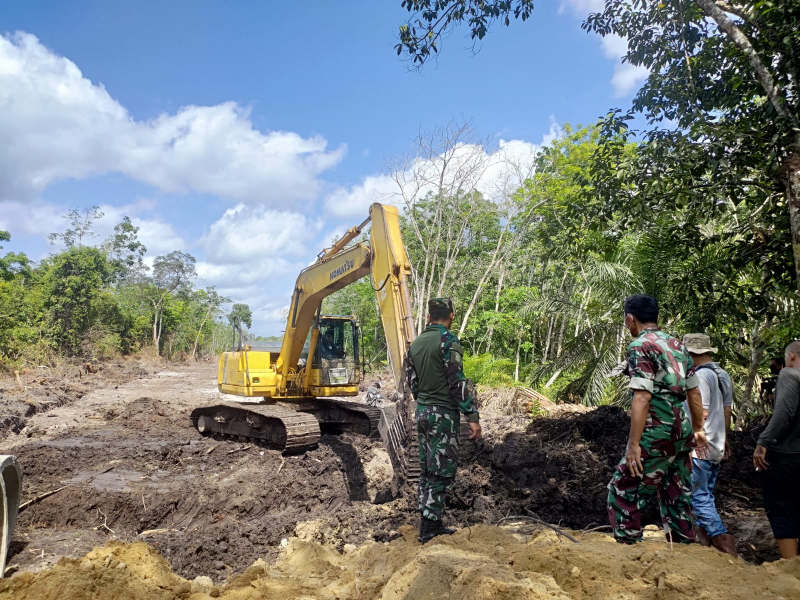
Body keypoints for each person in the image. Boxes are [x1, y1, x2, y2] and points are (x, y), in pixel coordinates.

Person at [607, 294, 709, 545]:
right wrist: (698, 429)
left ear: (630, 319)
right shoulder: (677, 345)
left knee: (623, 490)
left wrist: (634, 444)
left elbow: (642, 396)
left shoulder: (639, 346)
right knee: (676, 494)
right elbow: (694, 391)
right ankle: (684, 550)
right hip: (681, 432)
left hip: (656, 433)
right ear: (657, 317)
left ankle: (629, 549)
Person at [405, 297, 482, 543]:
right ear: (451, 315)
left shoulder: (415, 344)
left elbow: (412, 382)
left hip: (422, 412)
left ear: (429, 317)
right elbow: (457, 382)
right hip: (443, 415)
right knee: (441, 471)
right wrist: (472, 416)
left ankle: (430, 521)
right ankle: (429, 529)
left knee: (428, 469)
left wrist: (424, 401)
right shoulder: (448, 341)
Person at [683, 333, 736, 556]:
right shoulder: (721, 374)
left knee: (698, 497)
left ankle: (724, 544)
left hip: (700, 448)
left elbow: (701, 412)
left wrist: (691, 443)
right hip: (715, 445)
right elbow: (726, 410)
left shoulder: (701, 376)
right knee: (706, 494)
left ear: (690, 353)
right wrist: (725, 439)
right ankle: (704, 545)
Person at [753, 341, 800, 559]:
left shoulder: (789, 374)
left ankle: (790, 566)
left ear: (791, 356)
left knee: (782, 507)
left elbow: (784, 413)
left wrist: (763, 442)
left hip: (788, 455)